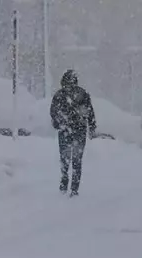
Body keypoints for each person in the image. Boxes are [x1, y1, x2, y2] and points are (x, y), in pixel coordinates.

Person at [50, 69, 96, 197]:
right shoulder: (82, 94)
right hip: (79, 131)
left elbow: (53, 112)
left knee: (64, 158)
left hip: (65, 130)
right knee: (77, 160)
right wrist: (91, 127)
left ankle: (64, 181)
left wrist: (58, 123)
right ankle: (74, 188)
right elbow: (90, 112)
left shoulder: (59, 95)